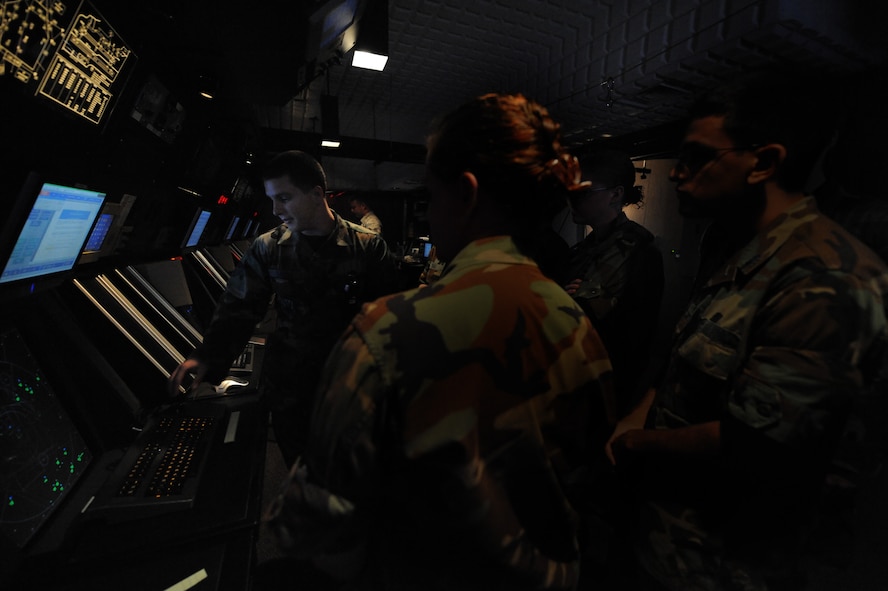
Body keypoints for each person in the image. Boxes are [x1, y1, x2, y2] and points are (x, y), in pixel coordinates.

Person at [263, 93, 617, 590]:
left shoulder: (386, 331)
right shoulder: (577, 326)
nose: (430, 216)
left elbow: (317, 532)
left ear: (466, 194)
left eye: (432, 196)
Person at [606, 73, 888, 590]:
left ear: (764, 162)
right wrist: (632, 420)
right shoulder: (732, 244)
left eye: (696, 155)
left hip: (730, 564)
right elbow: (682, 364)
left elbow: (758, 445)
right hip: (668, 539)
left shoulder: (824, 277)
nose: (676, 173)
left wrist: (637, 445)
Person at [168, 150, 400, 467]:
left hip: (352, 384)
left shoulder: (368, 246)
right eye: (273, 199)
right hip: (293, 385)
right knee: (298, 469)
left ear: (317, 194)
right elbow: (239, 307)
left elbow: (392, 320)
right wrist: (209, 356)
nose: (276, 210)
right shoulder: (269, 247)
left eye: (285, 198)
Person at [563, 149, 665, 416]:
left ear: (616, 194)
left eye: (583, 191)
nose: (572, 199)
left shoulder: (636, 247)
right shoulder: (586, 248)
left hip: (606, 389)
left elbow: (579, 313)